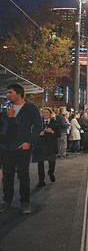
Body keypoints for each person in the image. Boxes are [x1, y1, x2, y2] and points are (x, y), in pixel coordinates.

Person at [0, 83, 42, 214]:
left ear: (19, 94)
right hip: (7, 147)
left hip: (23, 146)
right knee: (7, 175)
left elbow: (38, 127)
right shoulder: (6, 108)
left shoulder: (30, 108)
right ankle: (7, 200)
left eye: (10, 92)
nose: (7, 95)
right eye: (7, 93)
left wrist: (29, 142)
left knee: (23, 175)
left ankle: (25, 201)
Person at [33, 107, 60, 187]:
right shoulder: (38, 123)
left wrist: (52, 132)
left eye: (47, 113)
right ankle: (41, 180)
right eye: (43, 113)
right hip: (41, 146)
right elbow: (33, 132)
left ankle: (50, 172)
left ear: (50, 114)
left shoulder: (55, 123)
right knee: (40, 163)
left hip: (51, 146)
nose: (45, 114)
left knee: (52, 162)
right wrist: (38, 134)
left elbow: (58, 134)